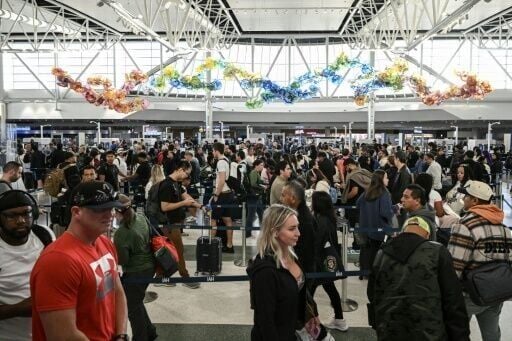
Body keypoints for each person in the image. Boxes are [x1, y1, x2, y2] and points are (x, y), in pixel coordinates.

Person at [30, 181, 129, 341]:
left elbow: (117, 291)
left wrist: (121, 335)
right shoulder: (58, 261)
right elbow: (62, 335)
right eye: (100, 209)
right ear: (76, 212)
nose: (110, 214)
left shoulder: (105, 243)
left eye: (111, 208)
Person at [368, 216, 470, 341]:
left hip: (390, 330)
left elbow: (372, 294)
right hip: (430, 332)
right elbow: (453, 299)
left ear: (403, 231)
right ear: (427, 234)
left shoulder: (381, 254)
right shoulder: (437, 252)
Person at [448, 180, 511, 341]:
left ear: (475, 201)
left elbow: (454, 266)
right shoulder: (503, 228)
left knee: (457, 333)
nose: (463, 199)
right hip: (496, 291)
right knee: (491, 334)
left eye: (466, 196)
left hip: (469, 294)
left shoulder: (465, 225)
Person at [0, 190, 54, 340]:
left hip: (46, 333)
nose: (21, 220)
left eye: (26, 213)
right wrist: (19, 309)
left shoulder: (45, 235)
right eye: (12, 216)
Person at [246, 204, 302, 341]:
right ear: (275, 231)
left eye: (297, 227)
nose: (298, 233)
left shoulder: (291, 254)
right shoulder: (265, 272)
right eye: (292, 229)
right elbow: (266, 321)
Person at [113, 194, 157, 341]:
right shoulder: (141, 218)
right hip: (150, 266)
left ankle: (141, 337)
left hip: (135, 271)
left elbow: (123, 260)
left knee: (132, 307)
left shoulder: (122, 233)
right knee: (136, 301)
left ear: (117, 211)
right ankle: (150, 331)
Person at [159, 160, 201, 288]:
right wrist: (184, 204)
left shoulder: (176, 184)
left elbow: (186, 196)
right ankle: (184, 276)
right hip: (168, 223)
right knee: (177, 250)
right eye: (186, 174)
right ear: (180, 170)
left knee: (171, 251)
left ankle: (162, 276)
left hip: (174, 223)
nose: (187, 177)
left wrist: (201, 206)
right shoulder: (166, 185)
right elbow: (164, 207)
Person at [311, 191, 348, 332]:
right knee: (329, 289)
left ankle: (310, 323)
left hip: (319, 261)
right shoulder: (328, 217)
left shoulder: (321, 220)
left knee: (309, 292)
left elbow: (318, 242)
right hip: (326, 259)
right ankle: (339, 320)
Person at [356, 169, 394, 275]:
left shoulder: (367, 191)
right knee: (377, 252)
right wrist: (394, 210)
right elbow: (385, 213)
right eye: (386, 177)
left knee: (366, 250)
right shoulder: (384, 193)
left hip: (365, 227)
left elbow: (358, 204)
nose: (388, 179)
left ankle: (364, 270)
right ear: (381, 179)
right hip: (379, 229)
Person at [210, 142, 237, 253]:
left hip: (222, 194)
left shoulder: (220, 162)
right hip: (229, 194)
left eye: (213, 151)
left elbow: (221, 180)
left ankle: (210, 245)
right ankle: (229, 245)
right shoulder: (227, 159)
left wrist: (216, 194)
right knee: (227, 219)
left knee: (213, 220)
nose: (212, 153)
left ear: (216, 151)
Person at [246, 159, 266, 238]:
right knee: (251, 215)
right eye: (261, 165)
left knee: (261, 214)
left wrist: (262, 183)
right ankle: (247, 232)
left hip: (256, 197)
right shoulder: (254, 172)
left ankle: (264, 230)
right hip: (253, 197)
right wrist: (262, 187)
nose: (262, 167)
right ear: (256, 165)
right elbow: (253, 184)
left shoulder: (256, 173)